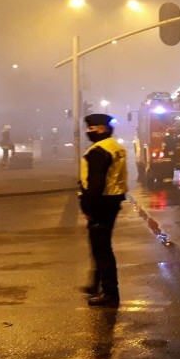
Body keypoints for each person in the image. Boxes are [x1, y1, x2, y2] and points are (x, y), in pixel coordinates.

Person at [79, 113, 128, 307]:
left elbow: (96, 183)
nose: (89, 133)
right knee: (101, 245)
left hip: (101, 203)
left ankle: (109, 292)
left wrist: (88, 207)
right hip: (113, 200)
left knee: (102, 248)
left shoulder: (98, 150)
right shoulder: (116, 147)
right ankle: (95, 284)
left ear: (101, 129)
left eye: (92, 129)